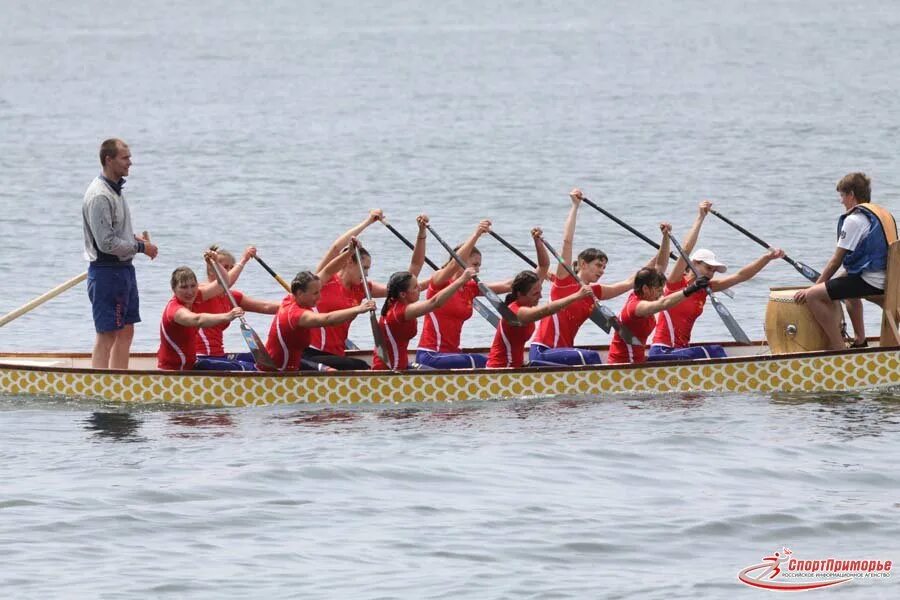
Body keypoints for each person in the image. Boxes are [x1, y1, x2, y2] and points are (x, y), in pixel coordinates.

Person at [648, 201, 785, 361]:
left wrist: (767, 258)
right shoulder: (675, 282)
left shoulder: (705, 289)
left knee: (713, 351)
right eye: (708, 268)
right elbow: (685, 250)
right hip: (663, 352)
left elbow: (741, 276)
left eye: (713, 271)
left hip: (680, 352)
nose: (711, 274)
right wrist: (700, 217)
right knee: (715, 351)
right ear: (693, 263)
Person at [529, 189, 644, 366]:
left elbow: (630, 282)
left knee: (590, 356)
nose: (602, 271)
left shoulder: (594, 292)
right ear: (583, 264)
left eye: (604, 267)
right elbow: (567, 241)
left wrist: (663, 257)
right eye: (598, 265)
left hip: (561, 354)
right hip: (543, 351)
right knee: (592, 357)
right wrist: (575, 206)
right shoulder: (564, 280)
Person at [306, 211, 428, 370]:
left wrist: (421, 233)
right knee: (362, 366)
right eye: (364, 268)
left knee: (359, 365)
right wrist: (368, 222)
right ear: (349, 261)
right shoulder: (323, 280)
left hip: (336, 354)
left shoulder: (362, 288)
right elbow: (336, 248)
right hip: (312, 352)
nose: (367, 273)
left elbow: (412, 272)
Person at [794, 173, 898, 350]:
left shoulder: (854, 220)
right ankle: (860, 341)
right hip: (889, 279)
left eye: (842, 196)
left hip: (871, 281)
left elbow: (836, 261)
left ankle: (838, 347)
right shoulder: (882, 214)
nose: (841, 201)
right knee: (846, 287)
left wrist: (814, 288)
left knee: (813, 296)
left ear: (851, 195)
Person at [82, 138, 158, 369]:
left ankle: (119, 381)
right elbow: (106, 243)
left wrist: (135, 240)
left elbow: (117, 234)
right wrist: (141, 247)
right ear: (109, 159)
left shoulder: (117, 190)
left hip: (123, 270)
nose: (130, 163)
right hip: (106, 272)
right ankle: (99, 388)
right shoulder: (99, 195)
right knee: (107, 334)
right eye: (125, 158)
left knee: (126, 330)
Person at [262, 242, 376, 371]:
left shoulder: (290, 300)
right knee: (359, 366)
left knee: (356, 365)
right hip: (280, 370)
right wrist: (358, 309)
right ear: (300, 293)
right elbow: (328, 319)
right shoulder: (296, 313)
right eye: (316, 293)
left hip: (300, 357)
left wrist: (349, 251)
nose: (320, 297)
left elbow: (328, 271)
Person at [486, 231, 594, 368]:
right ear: (520, 294)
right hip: (501, 370)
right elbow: (547, 309)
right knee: (590, 357)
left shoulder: (526, 298)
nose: (541, 296)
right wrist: (576, 296)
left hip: (516, 367)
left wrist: (538, 242)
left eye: (540, 291)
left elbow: (544, 266)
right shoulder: (517, 312)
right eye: (535, 294)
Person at [415, 219, 512, 369]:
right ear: (462, 261)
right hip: (431, 355)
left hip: (450, 354)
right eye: (475, 265)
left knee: (494, 359)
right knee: (483, 361)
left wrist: (538, 273)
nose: (478, 270)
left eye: (479, 266)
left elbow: (507, 285)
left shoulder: (470, 287)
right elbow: (454, 263)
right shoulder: (439, 281)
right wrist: (477, 234)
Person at [607, 225, 709, 364]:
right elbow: (663, 303)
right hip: (624, 367)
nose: (661, 293)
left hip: (638, 362)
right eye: (658, 289)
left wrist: (665, 237)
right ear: (646, 289)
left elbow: (660, 266)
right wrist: (691, 289)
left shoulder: (637, 294)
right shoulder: (636, 307)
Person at [192, 246, 281, 370]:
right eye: (225, 267)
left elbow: (266, 307)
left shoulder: (232, 297)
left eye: (231, 267)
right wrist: (244, 259)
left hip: (219, 355)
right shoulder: (200, 292)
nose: (228, 271)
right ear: (211, 269)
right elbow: (225, 282)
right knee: (254, 368)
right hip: (201, 357)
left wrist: (294, 303)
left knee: (271, 359)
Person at [372, 267, 478, 371]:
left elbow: (416, 263)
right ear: (403, 294)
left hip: (403, 366)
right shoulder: (399, 312)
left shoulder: (398, 302)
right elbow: (435, 302)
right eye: (415, 287)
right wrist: (460, 281)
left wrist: (445, 272)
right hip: (389, 370)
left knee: (436, 375)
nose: (420, 288)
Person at [157, 267, 244, 370]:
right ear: (174, 289)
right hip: (172, 372)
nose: (190, 292)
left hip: (190, 368)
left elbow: (224, 283)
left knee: (243, 363)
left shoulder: (196, 296)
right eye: (184, 287)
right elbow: (197, 320)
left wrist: (215, 261)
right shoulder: (174, 310)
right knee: (238, 368)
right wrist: (228, 316)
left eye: (193, 286)